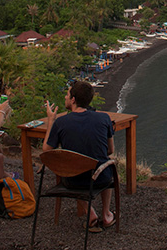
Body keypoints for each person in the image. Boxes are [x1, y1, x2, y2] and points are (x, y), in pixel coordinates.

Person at [41, 80, 115, 231]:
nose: (65, 97)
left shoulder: (61, 122)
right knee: (105, 163)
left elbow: (46, 151)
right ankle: (106, 214)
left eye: (67, 95)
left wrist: (51, 121)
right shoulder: (104, 118)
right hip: (101, 178)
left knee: (72, 170)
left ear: (73, 100)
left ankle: (90, 213)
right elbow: (110, 150)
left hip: (73, 181)